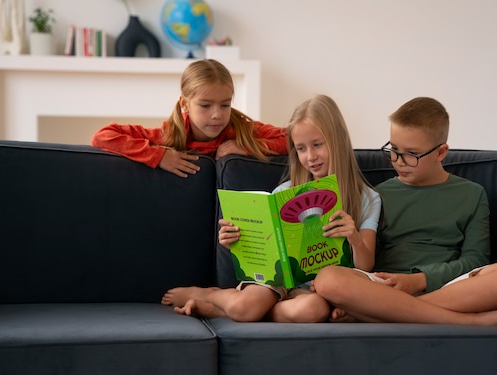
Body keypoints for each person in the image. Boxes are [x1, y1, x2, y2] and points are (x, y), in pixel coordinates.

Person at [312, 96, 497, 326]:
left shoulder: (472, 194)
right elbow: (366, 261)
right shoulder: (377, 195)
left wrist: (419, 280)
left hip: (449, 286)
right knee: (328, 279)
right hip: (383, 286)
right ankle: (471, 321)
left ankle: (385, 313)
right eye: (394, 150)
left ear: (441, 152)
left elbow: (474, 259)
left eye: (411, 154)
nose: (398, 161)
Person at [161, 94, 382, 322]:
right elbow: (264, 253)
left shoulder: (367, 198)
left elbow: (366, 265)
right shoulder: (285, 193)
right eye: (301, 149)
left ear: (339, 140)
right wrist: (235, 241)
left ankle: (222, 311)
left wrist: (354, 237)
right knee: (247, 306)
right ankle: (210, 295)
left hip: (316, 293)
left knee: (313, 310)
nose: (311, 157)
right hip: (275, 282)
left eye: (317, 145)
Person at [91, 59, 287, 178]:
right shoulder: (168, 135)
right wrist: (159, 156)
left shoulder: (239, 130)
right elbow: (103, 136)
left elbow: (291, 139)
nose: (217, 114)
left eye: (225, 104)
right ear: (185, 104)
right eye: (205, 105)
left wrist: (245, 148)